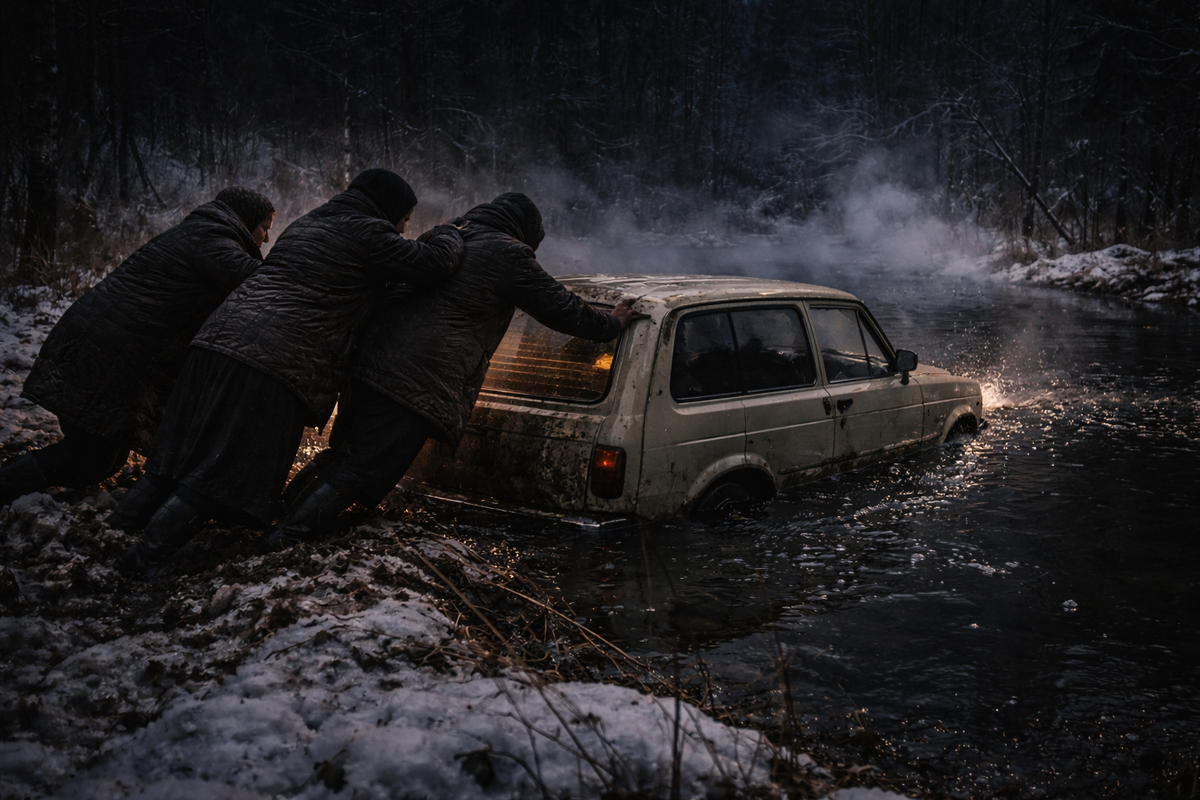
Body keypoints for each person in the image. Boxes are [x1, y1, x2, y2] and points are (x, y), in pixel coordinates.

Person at [113, 169, 464, 579]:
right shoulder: (368, 233)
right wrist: (447, 232)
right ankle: (143, 561)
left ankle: (117, 532)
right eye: (404, 218)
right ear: (387, 208)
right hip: (272, 360)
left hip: (216, 340)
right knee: (224, 471)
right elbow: (434, 264)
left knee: (175, 456)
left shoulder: (311, 222)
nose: (405, 228)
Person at [267, 192, 644, 550]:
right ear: (525, 230)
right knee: (362, 469)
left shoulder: (447, 236)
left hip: (368, 366)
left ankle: (280, 517)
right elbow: (561, 307)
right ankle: (290, 534)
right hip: (415, 381)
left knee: (341, 454)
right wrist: (612, 322)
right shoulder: (508, 254)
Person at [0, 187, 275, 507]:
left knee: (104, 458)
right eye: (265, 228)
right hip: (106, 353)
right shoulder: (212, 241)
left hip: (104, 348)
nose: (267, 238)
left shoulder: (202, 234)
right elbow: (262, 283)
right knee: (87, 459)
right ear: (245, 221)